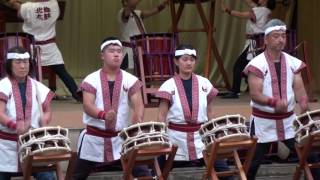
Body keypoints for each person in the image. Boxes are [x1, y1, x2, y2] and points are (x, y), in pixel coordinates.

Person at [243, 19, 320, 180]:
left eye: (283, 36)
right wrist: (274, 103)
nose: (280, 40)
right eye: (276, 36)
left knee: (309, 156)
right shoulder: (257, 64)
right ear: (265, 40)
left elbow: (298, 88)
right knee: (253, 163)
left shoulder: (293, 62)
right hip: (263, 123)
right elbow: (255, 94)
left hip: (289, 122)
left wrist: (304, 102)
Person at [72, 37, 149, 179]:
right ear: (102, 55)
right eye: (112, 51)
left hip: (122, 139)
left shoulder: (130, 79)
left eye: (119, 51)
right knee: (77, 176)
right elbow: (87, 105)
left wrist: (137, 120)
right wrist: (103, 115)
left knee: (144, 173)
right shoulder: (91, 79)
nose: (116, 54)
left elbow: (138, 104)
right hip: (94, 139)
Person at [156, 44, 233, 180]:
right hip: (175, 138)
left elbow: (210, 111)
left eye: (192, 59)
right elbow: (161, 115)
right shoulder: (168, 85)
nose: (189, 63)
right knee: (159, 171)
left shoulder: (204, 83)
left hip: (201, 137)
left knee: (223, 171)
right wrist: (160, 138)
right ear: (176, 61)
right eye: (184, 59)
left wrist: (214, 132)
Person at [8, 0, 82, 102]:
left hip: (31, 47)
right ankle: (77, 93)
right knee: (62, 71)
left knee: (26, 72)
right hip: (50, 46)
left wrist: (13, 3)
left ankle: (24, 96)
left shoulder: (27, 7)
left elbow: (21, 11)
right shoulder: (54, 3)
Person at [0, 47, 55, 179]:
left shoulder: (37, 86)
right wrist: (15, 125)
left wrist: (45, 119)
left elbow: (47, 110)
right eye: (18, 62)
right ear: (9, 65)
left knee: (47, 177)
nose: (23, 66)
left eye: (25, 61)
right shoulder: (3, 85)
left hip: (34, 143)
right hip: (6, 145)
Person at [221, 0, 276, 99]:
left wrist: (227, 10)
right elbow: (251, 3)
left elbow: (242, 15)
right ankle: (238, 90)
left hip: (253, 43)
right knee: (253, 67)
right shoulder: (265, 11)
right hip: (258, 42)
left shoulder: (260, 10)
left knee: (238, 66)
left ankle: (235, 91)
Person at [118, 0, 168, 70]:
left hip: (139, 51)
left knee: (140, 77)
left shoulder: (137, 13)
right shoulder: (123, 12)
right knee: (128, 77)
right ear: (125, 2)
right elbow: (131, 5)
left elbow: (153, 11)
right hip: (129, 52)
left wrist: (163, 5)